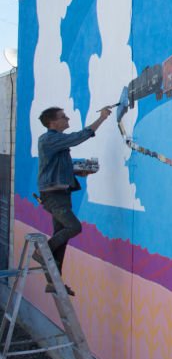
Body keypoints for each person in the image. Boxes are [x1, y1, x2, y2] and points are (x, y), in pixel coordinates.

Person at [36, 105, 111, 295]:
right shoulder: (49, 139)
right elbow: (77, 138)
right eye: (64, 117)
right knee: (74, 228)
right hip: (53, 196)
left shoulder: (55, 142)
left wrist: (79, 172)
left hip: (60, 194)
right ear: (53, 122)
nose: (68, 119)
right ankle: (42, 252)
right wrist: (102, 118)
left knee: (61, 240)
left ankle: (54, 281)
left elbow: (58, 167)